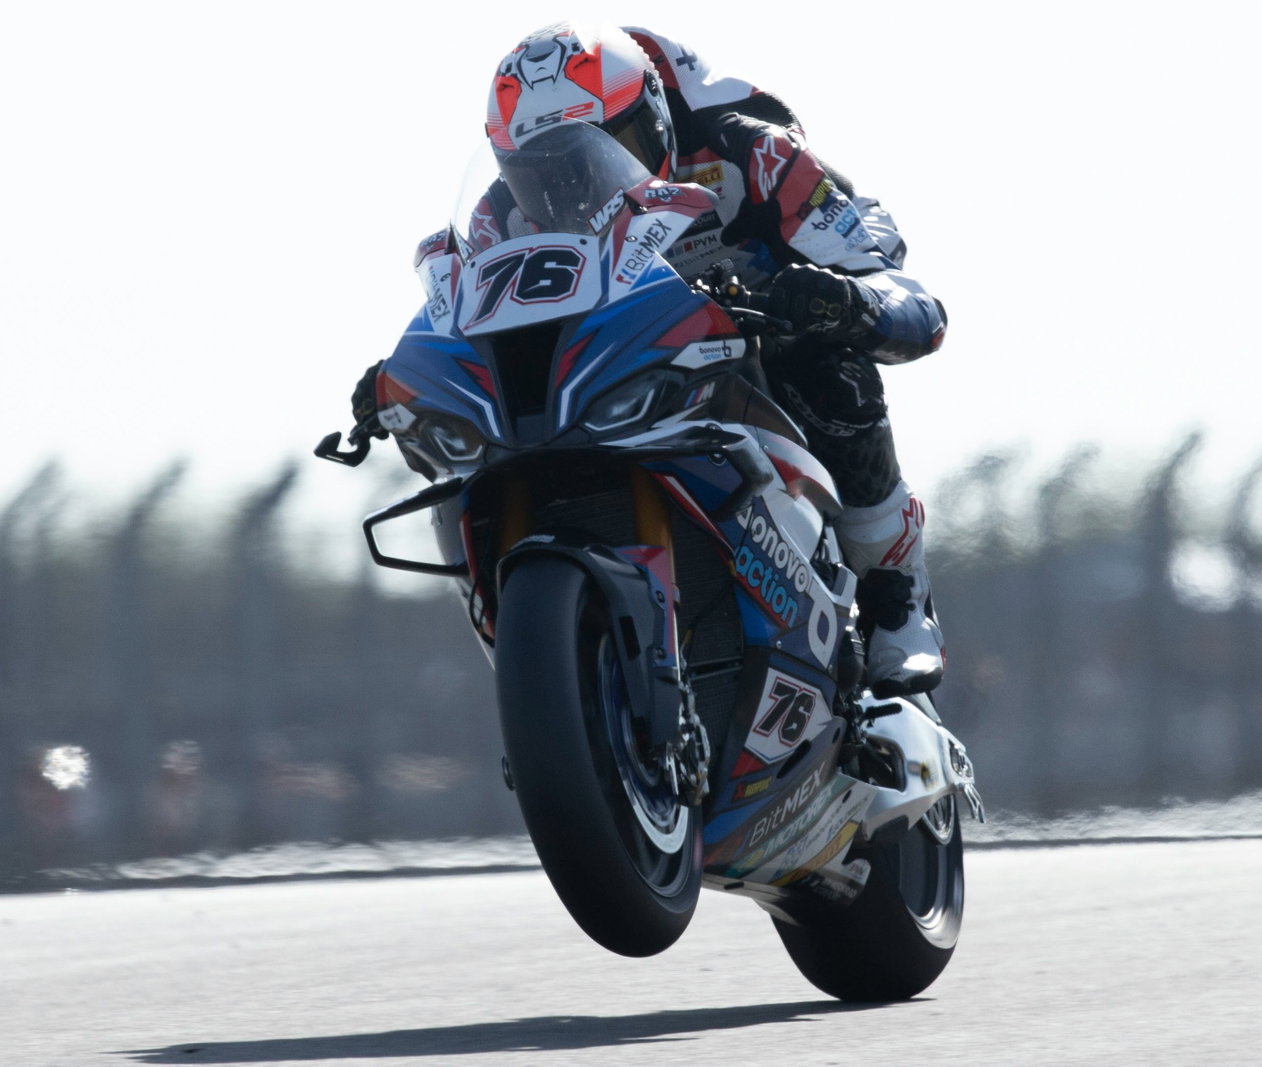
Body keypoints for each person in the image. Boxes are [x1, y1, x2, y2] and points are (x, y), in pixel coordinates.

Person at [354, 22, 949, 697]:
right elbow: (463, 319)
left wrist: (841, 301)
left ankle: (895, 594)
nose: (579, 186)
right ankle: (560, 674)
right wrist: (403, 382)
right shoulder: (501, 219)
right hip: (605, 380)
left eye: (609, 151)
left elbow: (904, 294)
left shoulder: (748, 154)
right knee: (470, 453)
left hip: (747, 358)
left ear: (658, 122)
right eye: (545, 171)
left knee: (825, 363)